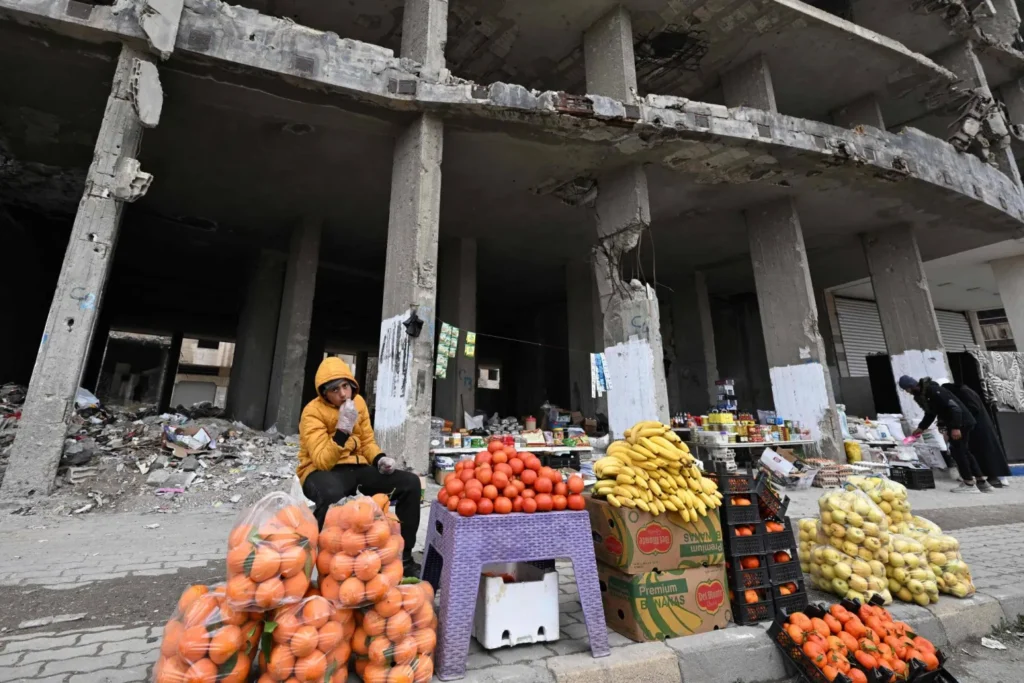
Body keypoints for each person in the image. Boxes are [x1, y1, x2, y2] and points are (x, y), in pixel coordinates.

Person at [297, 356, 422, 575]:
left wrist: (379, 459)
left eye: (346, 386)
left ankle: (405, 557)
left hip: (357, 468)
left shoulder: (359, 403)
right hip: (321, 472)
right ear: (324, 393)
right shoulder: (312, 412)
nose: (343, 394)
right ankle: (323, 561)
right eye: (335, 390)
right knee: (332, 495)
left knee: (410, 483)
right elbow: (322, 460)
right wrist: (342, 431)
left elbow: (367, 442)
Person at [898, 375, 993, 493]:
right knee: (963, 451)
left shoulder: (933, 391)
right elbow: (930, 413)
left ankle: (969, 483)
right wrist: (921, 428)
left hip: (961, 422)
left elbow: (954, 408)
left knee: (958, 452)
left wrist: (955, 428)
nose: (908, 392)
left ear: (910, 386)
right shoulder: (924, 394)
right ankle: (982, 482)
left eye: (907, 389)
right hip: (958, 422)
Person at [943, 381, 1011, 488]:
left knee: (986, 453)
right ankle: (988, 477)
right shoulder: (964, 391)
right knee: (981, 453)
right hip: (976, 427)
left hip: (979, 427)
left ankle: (993, 478)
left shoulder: (965, 392)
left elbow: (973, 408)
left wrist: (961, 420)